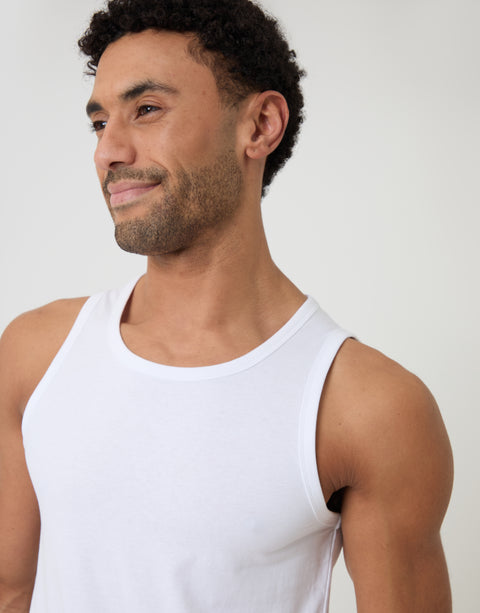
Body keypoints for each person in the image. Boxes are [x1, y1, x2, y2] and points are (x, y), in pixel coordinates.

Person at [0, 0, 453, 611]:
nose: (109, 151)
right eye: (100, 122)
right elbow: (11, 591)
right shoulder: (36, 355)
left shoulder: (366, 409)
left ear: (260, 125)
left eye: (147, 109)